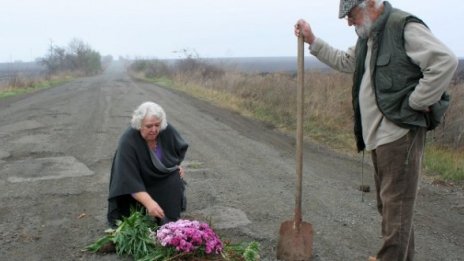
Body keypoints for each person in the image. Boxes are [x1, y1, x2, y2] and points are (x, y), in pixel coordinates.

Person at [294, 0, 458, 260]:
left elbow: (444, 61)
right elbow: (345, 61)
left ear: (371, 3)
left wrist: (417, 102)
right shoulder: (367, 37)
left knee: (396, 210)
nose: (348, 22)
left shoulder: (402, 27)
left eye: (351, 15)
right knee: (392, 209)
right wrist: (312, 40)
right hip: (378, 136)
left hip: (399, 135)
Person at [107, 101, 189, 227]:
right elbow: (128, 180)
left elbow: (176, 149)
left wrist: (176, 166)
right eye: (149, 126)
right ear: (139, 125)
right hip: (136, 187)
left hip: (157, 181)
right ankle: (145, 216)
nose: (154, 130)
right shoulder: (127, 141)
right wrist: (149, 202)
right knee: (138, 220)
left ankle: (171, 219)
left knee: (175, 177)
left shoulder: (164, 130)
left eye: (157, 124)